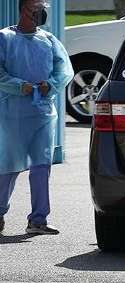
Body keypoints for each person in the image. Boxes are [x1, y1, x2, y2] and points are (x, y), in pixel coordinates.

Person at [0, 0, 72, 236]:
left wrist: (49, 85)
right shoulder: (5, 38)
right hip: (13, 113)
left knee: (42, 166)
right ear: (23, 9)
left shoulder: (49, 40)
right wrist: (20, 86)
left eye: (43, 9)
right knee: (8, 165)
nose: (40, 13)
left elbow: (64, 71)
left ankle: (38, 219)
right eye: (36, 8)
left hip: (42, 112)